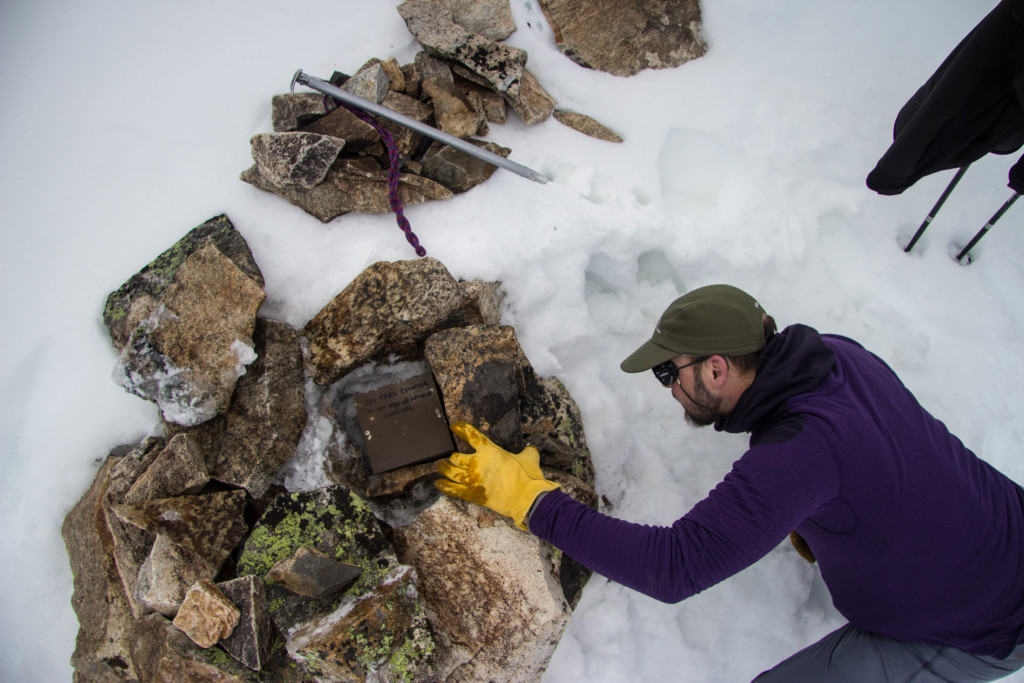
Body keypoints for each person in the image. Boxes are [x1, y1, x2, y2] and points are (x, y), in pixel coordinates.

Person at [434, 284, 1024, 682]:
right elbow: (887, 445)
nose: (667, 387)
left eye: (669, 372)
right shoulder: (835, 357)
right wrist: (819, 511)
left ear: (716, 367)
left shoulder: (800, 454)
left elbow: (674, 567)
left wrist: (533, 502)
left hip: (984, 621)